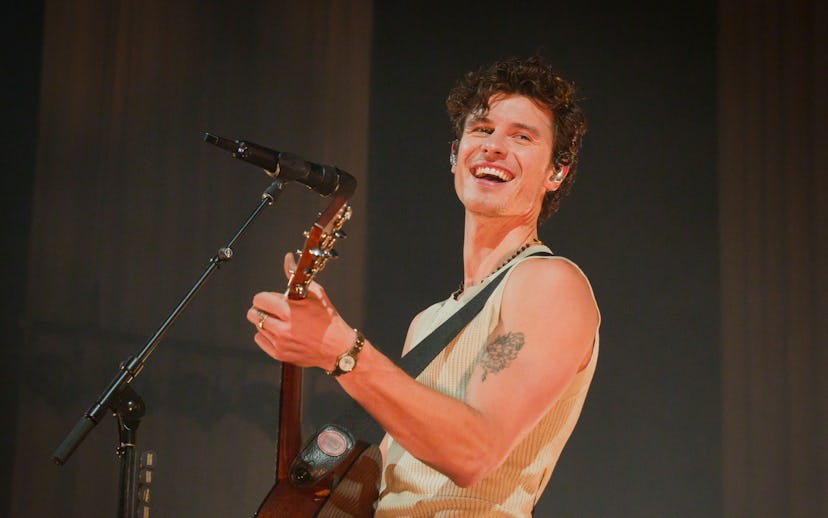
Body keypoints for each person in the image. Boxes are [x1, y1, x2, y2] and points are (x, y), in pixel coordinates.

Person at [247, 56, 600, 517]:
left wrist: (343, 351)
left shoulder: (549, 283)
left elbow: (473, 454)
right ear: (455, 154)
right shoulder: (427, 323)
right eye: (482, 130)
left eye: (522, 136)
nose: (494, 147)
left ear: (557, 172)